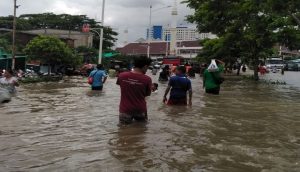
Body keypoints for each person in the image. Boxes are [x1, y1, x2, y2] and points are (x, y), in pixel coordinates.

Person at [117, 56, 152, 124]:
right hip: (140, 109)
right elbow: (148, 94)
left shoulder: (121, 75)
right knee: (141, 131)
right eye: (147, 68)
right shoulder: (147, 79)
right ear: (145, 66)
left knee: (123, 131)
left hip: (125, 109)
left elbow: (122, 86)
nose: (147, 70)